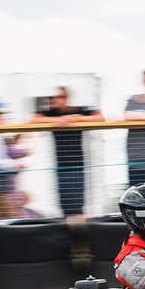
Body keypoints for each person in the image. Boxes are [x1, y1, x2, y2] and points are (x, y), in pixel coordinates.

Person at [30, 86, 105, 220]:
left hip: (77, 166)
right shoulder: (52, 112)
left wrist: (76, 119)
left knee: (77, 206)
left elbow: (100, 117)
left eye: (60, 97)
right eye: (53, 98)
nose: (55, 100)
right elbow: (33, 119)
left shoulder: (78, 110)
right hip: (60, 167)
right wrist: (58, 121)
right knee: (65, 205)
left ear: (66, 98)